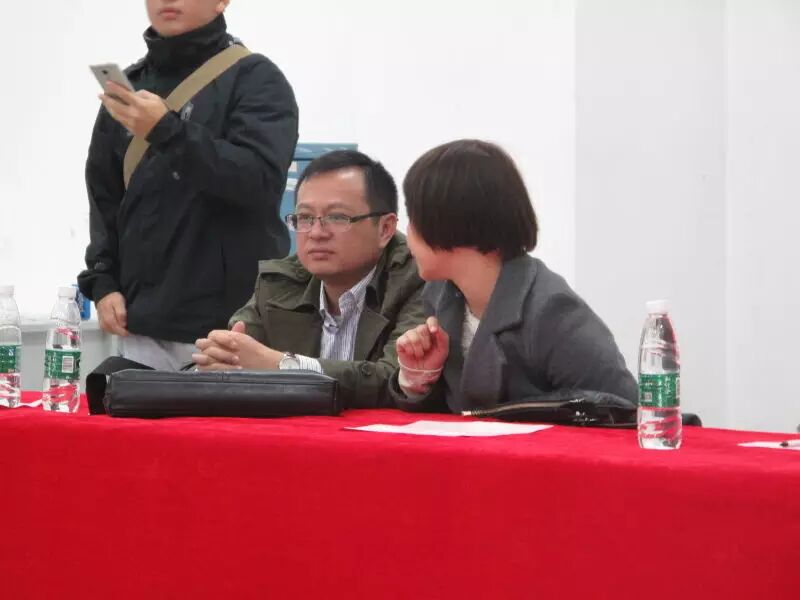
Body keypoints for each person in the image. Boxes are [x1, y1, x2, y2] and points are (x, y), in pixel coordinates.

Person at [78, 0, 299, 370]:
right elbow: (105, 195)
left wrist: (166, 131)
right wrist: (103, 281)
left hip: (231, 330)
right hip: (141, 327)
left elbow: (257, 181)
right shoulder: (130, 85)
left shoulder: (257, 79)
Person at [391, 139, 638, 413]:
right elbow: (456, 415)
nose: (407, 232)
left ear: (449, 221)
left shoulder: (552, 310)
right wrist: (419, 379)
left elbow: (623, 409)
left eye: (414, 217)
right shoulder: (439, 294)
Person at [192, 150, 426, 408]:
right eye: (305, 218)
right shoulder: (279, 283)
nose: (316, 233)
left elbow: (397, 380)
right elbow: (234, 356)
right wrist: (217, 359)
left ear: (385, 229)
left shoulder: (419, 278)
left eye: (337, 218)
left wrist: (284, 366)